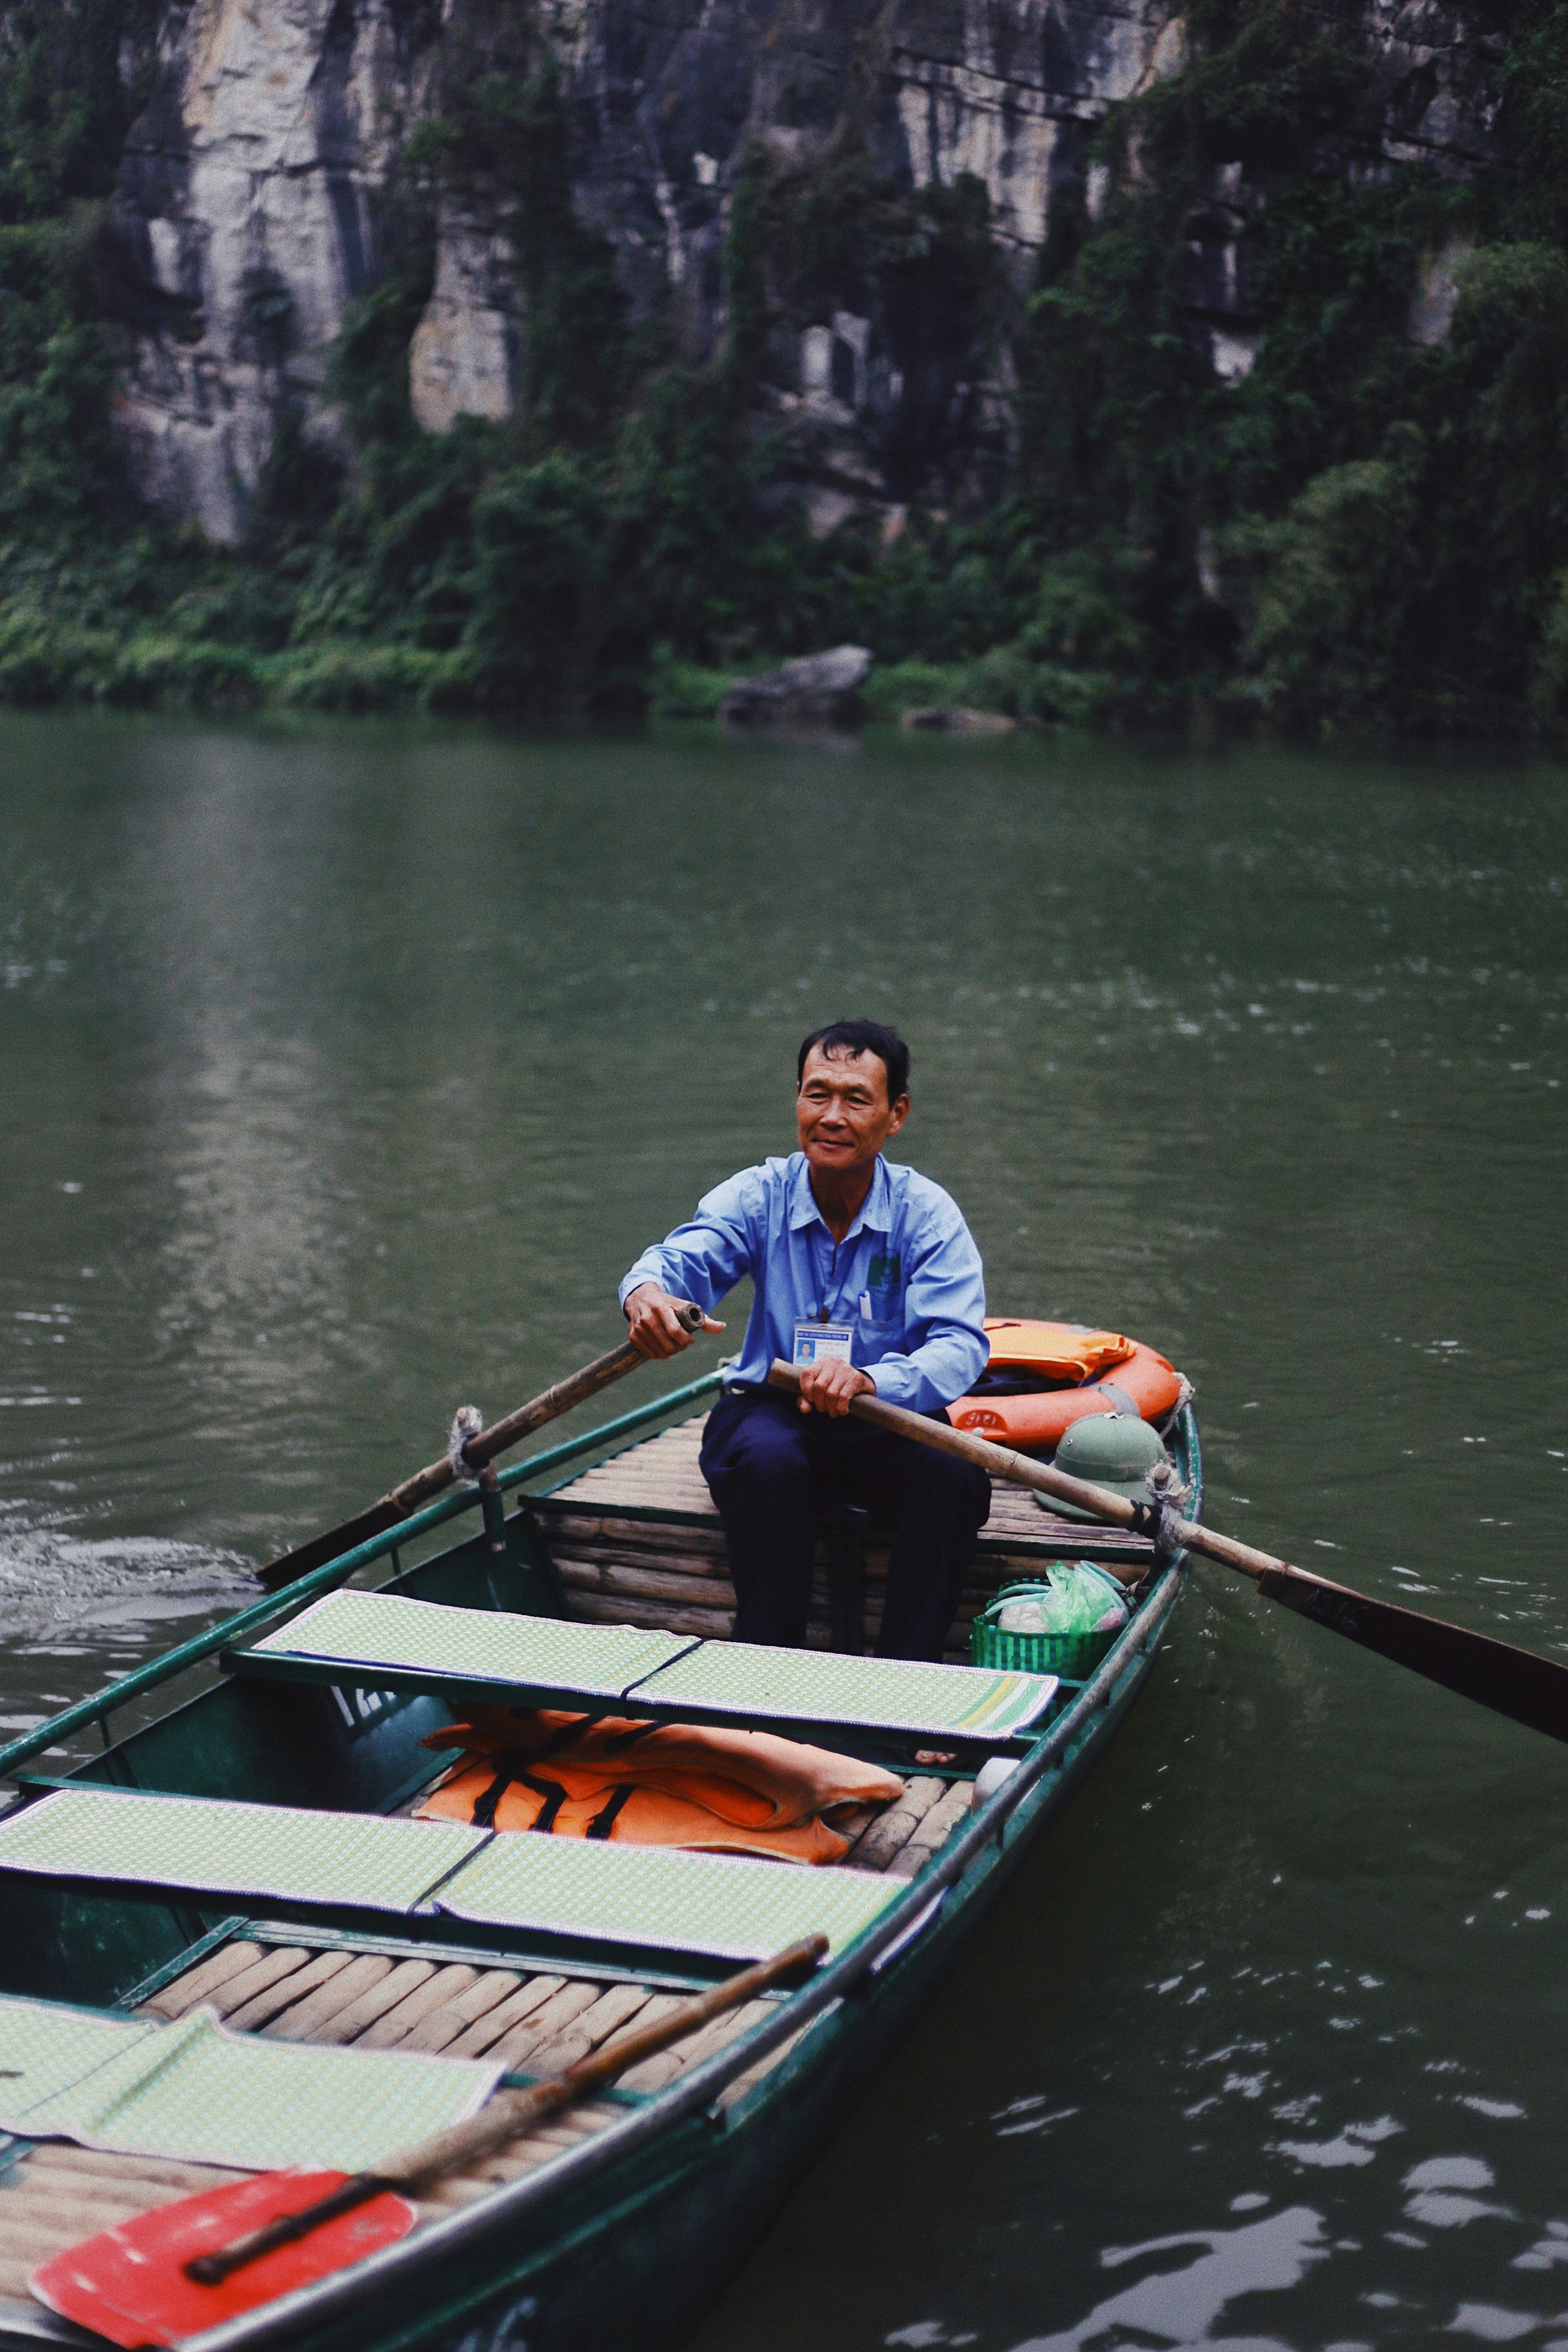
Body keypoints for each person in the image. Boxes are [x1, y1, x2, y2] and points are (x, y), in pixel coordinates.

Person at [619, 1019, 990, 1661]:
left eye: (855, 1099)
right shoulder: (760, 1193)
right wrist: (647, 1294)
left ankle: (907, 1682)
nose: (831, 1117)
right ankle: (768, 1678)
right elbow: (683, 1258)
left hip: (886, 1416)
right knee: (766, 1463)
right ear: (796, 1099)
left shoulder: (925, 1214)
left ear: (894, 1114)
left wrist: (874, 1379)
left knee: (953, 1477)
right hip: (773, 1410)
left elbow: (958, 1344)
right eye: (816, 1094)